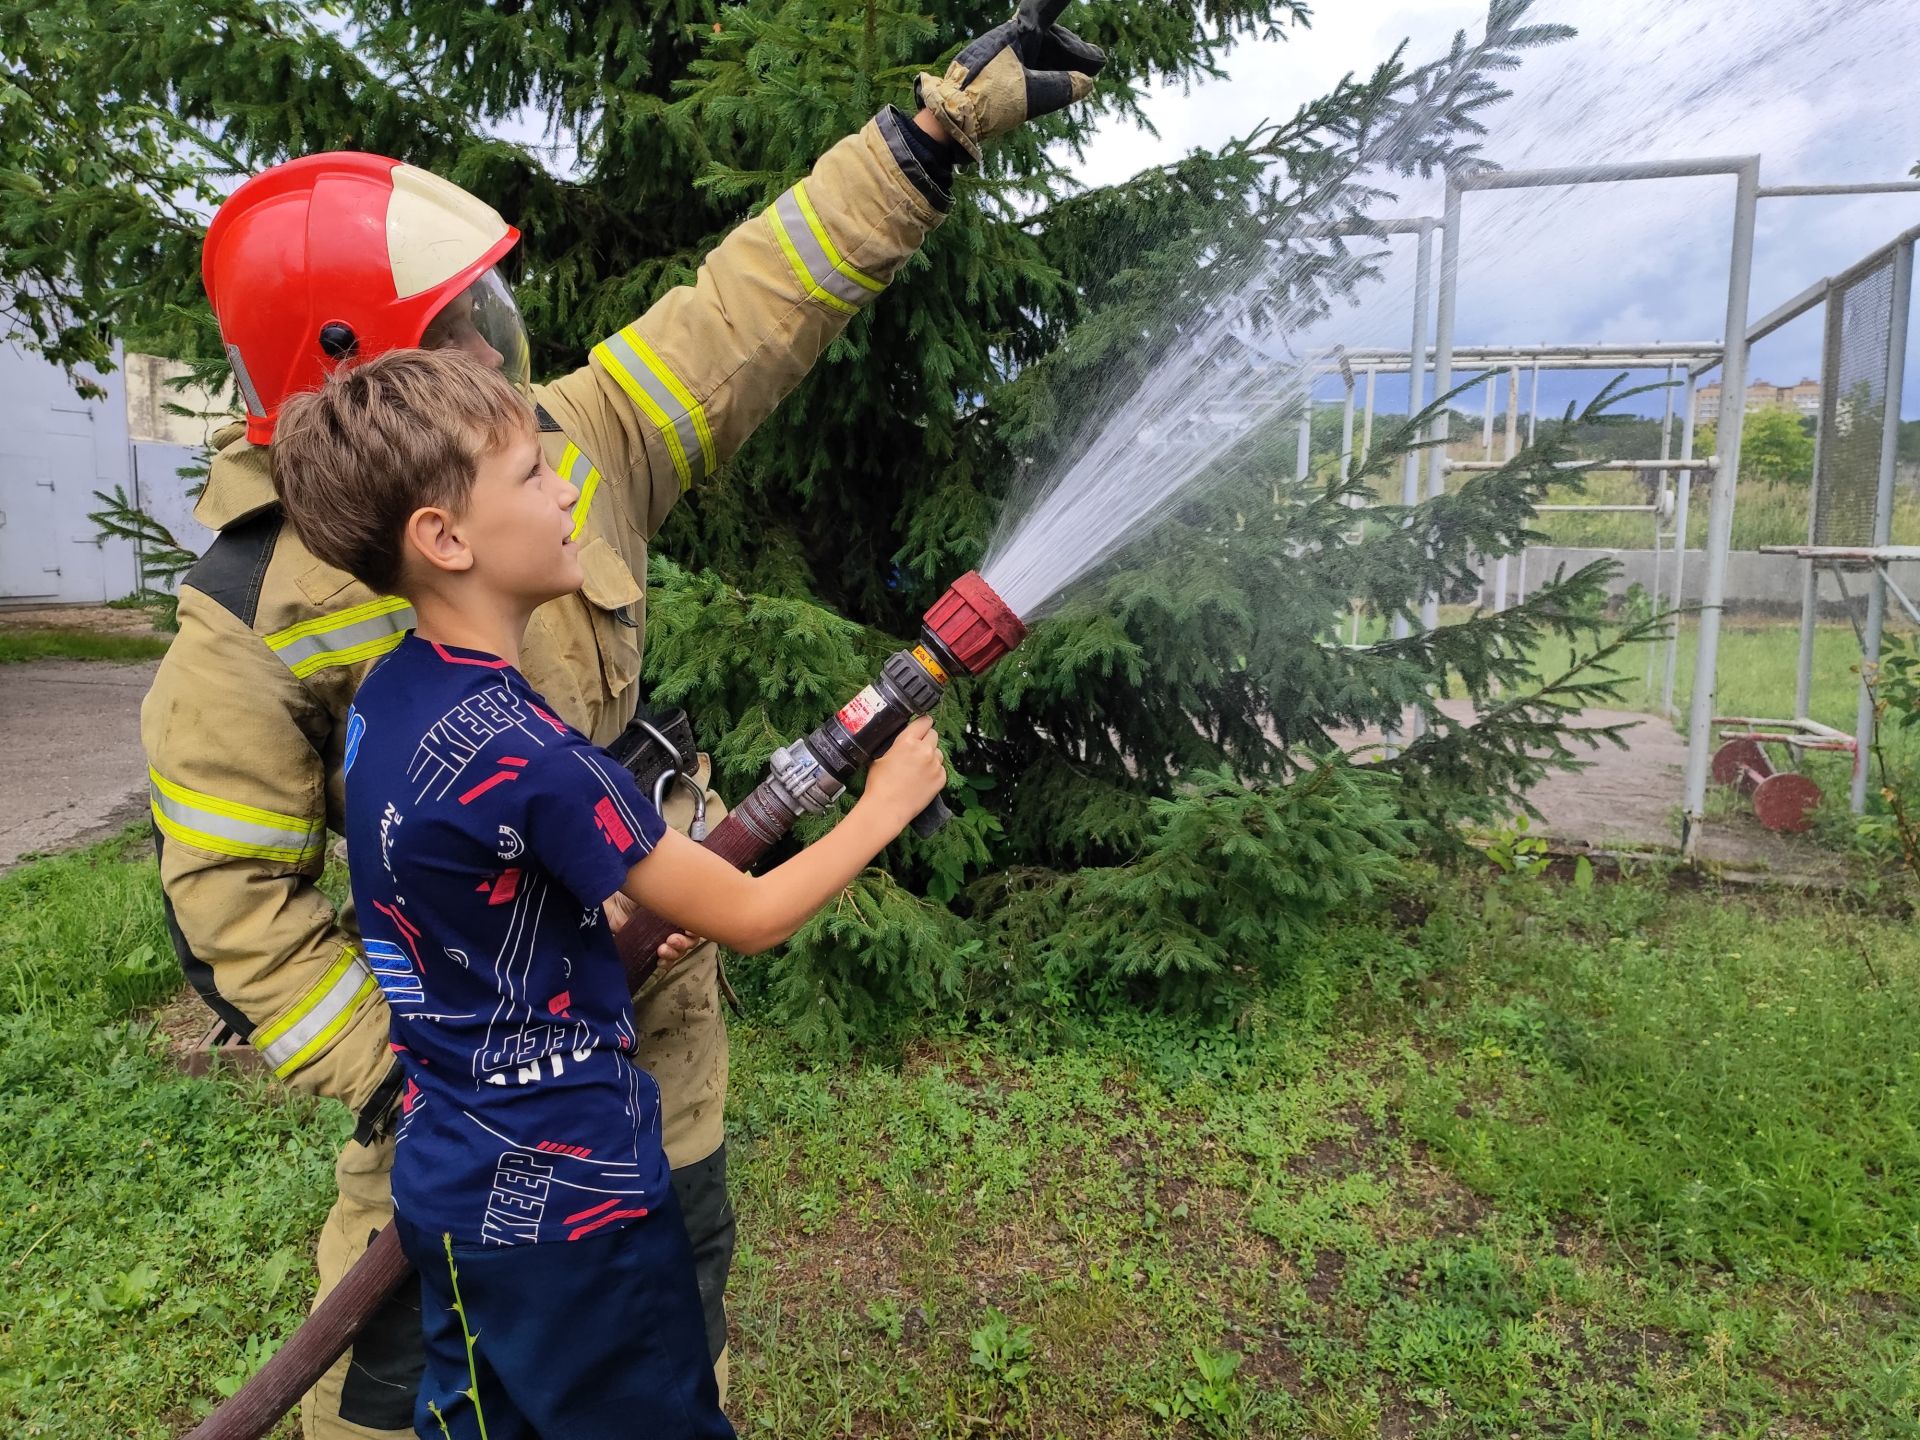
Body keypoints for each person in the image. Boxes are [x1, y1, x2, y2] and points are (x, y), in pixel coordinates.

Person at [138, 6, 1104, 1435]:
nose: (521, 388)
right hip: (465, 1124)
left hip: (649, 1072)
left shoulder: (550, 448)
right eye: (461, 340)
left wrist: (920, 142)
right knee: (411, 1401)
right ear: (378, 404)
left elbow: (744, 311)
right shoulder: (245, 623)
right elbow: (231, 899)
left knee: (657, 1350)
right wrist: (402, 1073)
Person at [264, 348, 948, 1439]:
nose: (570, 488)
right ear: (445, 538)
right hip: (576, 1203)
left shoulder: (393, 695)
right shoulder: (534, 756)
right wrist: (884, 807)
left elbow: (467, 897)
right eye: (535, 474)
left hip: (454, 1180)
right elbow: (758, 918)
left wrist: (599, 930)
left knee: (490, 1418)